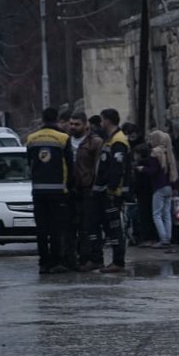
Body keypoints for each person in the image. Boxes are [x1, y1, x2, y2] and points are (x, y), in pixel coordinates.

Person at [27, 107, 74, 274]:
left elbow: (30, 163)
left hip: (38, 191)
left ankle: (43, 263)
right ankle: (55, 261)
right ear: (56, 119)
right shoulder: (63, 138)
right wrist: (70, 187)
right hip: (58, 191)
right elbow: (69, 164)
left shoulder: (31, 138)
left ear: (43, 119)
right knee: (56, 228)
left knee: (41, 229)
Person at [94, 109, 131, 274]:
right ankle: (115, 261)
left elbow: (117, 168)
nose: (101, 124)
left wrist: (111, 189)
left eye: (102, 120)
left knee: (115, 228)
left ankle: (118, 261)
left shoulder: (118, 141)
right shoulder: (110, 139)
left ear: (108, 121)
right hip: (105, 191)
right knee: (110, 227)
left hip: (113, 193)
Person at [67, 112, 104, 271]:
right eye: (71, 124)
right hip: (71, 189)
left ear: (85, 125)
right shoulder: (66, 141)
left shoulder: (95, 142)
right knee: (73, 225)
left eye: (77, 124)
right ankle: (77, 258)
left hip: (88, 189)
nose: (73, 127)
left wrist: (95, 185)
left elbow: (99, 166)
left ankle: (93, 258)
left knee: (89, 226)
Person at [139, 130, 178, 252]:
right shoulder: (168, 152)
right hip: (169, 186)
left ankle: (163, 239)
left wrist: (142, 169)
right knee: (167, 214)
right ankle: (168, 238)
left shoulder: (155, 152)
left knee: (156, 214)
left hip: (159, 186)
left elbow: (153, 170)